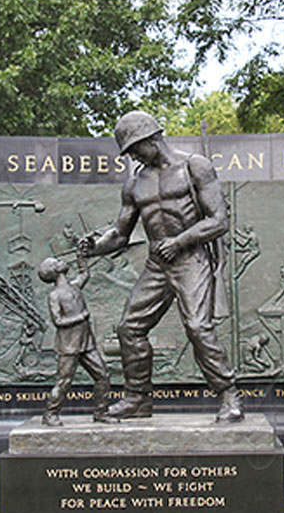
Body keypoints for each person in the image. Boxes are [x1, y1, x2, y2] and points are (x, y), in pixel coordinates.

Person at [79, 110, 243, 422]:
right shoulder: (134, 185)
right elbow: (120, 235)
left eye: (135, 149)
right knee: (130, 328)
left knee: (197, 326)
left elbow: (218, 221)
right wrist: (96, 247)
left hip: (190, 258)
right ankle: (138, 399)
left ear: (152, 139)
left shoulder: (195, 167)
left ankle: (228, 394)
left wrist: (180, 242)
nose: (133, 156)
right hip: (158, 264)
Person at [37, 247, 115, 426]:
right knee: (64, 381)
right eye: (57, 262)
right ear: (55, 271)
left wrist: (81, 256)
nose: (61, 261)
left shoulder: (74, 286)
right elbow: (57, 321)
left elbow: (84, 273)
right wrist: (81, 317)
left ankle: (101, 413)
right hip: (69, 345)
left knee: (103, 376)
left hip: (86, 343)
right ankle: (50, 414)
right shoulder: (55, 295)